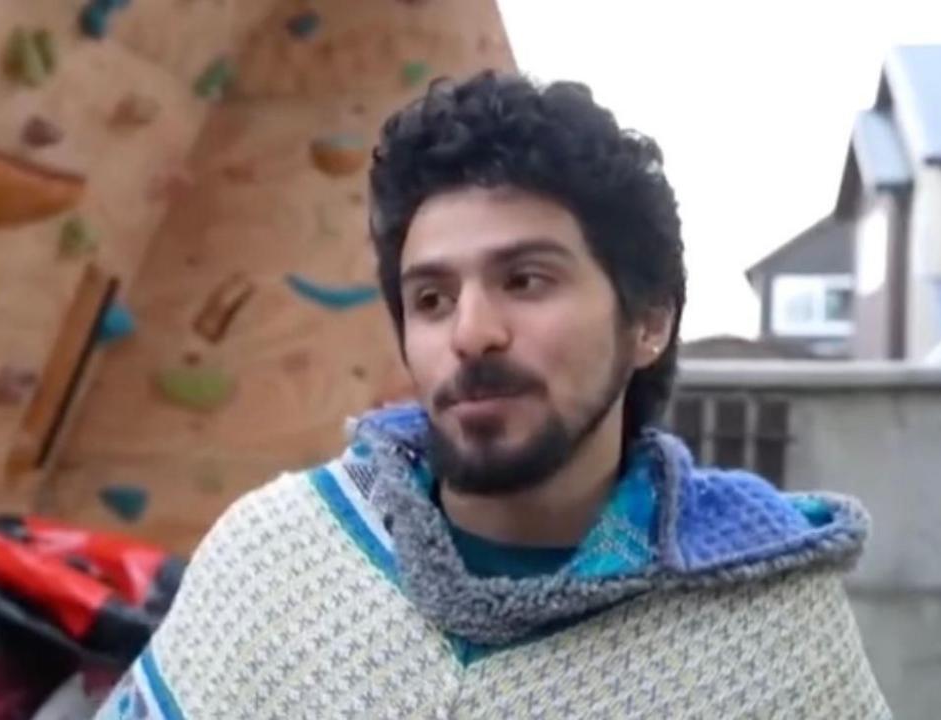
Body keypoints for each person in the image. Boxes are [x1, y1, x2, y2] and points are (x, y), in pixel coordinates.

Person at [95, 71, 891, 719]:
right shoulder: (275, 562)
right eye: (432, 298)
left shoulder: (767, 629)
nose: (471, 333)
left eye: (526, 279)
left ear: (648, 322)